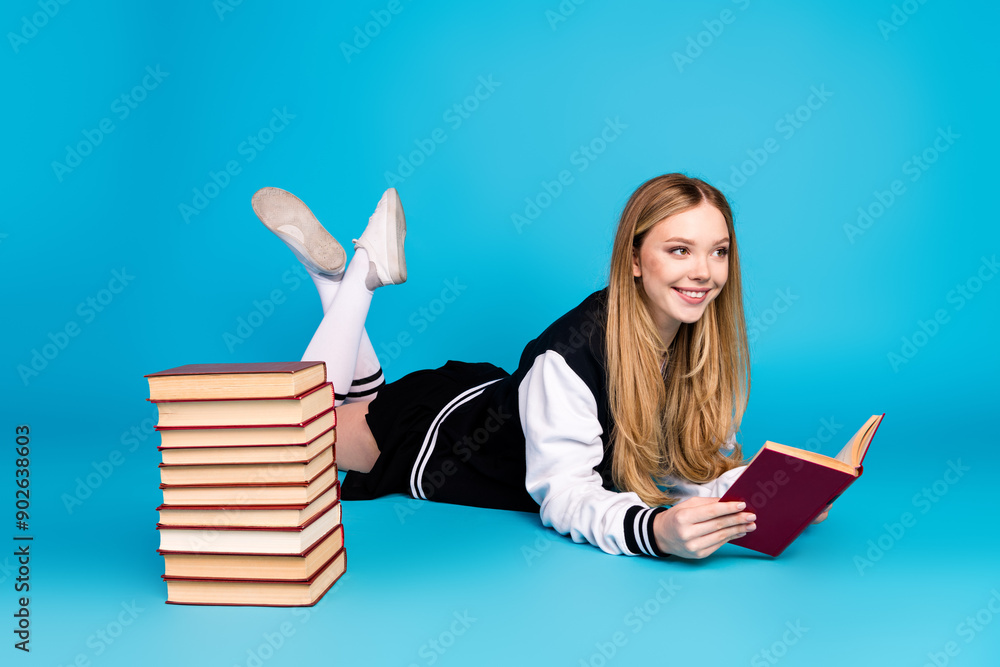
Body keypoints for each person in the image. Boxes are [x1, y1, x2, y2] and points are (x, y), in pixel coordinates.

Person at [250, 173, 826, 560]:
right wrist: (654, 532)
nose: (704, 270)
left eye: (718, 250)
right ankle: (361, 275)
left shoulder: (696, 343)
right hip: (441, 436)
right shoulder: (570, 356)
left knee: (348, 402)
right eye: (679, 249)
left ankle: (330, 282)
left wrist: (770, 494)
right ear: (633, 259)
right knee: (287, 438)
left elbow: (681, 468)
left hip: (492, 399)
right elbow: (566, 496)